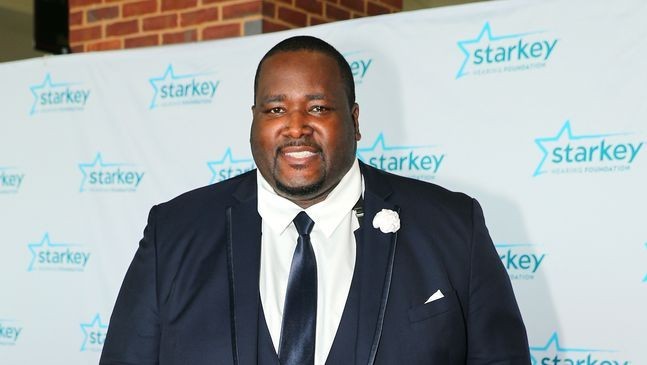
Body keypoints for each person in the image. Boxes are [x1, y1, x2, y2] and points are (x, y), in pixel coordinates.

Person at [100, 35, 530, 365]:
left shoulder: (452, 226)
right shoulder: (175, 231)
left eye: (319, 108)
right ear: (253, 121)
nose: (296, 127)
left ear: (355, 121)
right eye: (275, 110)